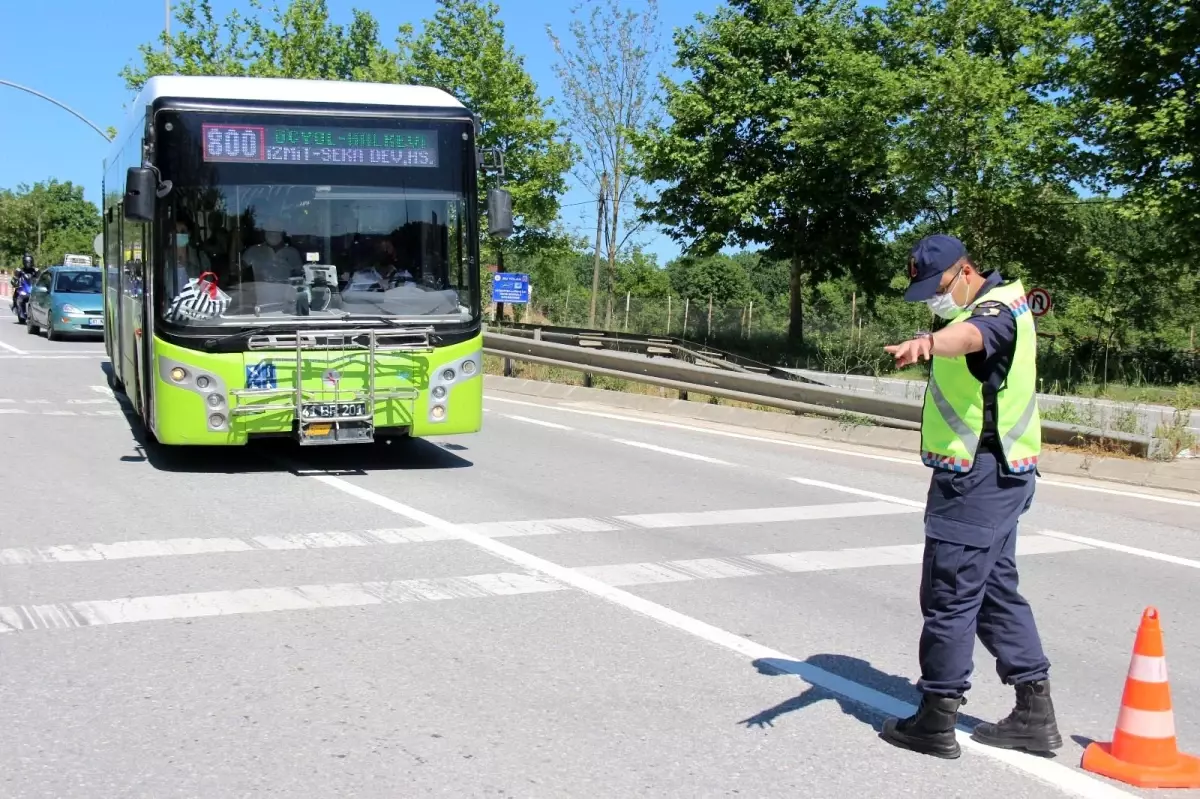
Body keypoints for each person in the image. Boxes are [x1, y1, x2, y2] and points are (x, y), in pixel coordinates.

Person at [878, 234, 1061, 760]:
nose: (934, 301)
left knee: (950, 594)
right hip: (1005, 474)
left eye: (936, 289)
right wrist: (933, 335)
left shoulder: (992, 313)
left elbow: (976, 337)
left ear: (964, 271)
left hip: (976, 478)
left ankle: (936, 717)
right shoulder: (1007, 300)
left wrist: (932, 343)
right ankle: (1034, 711)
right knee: (995, 590)